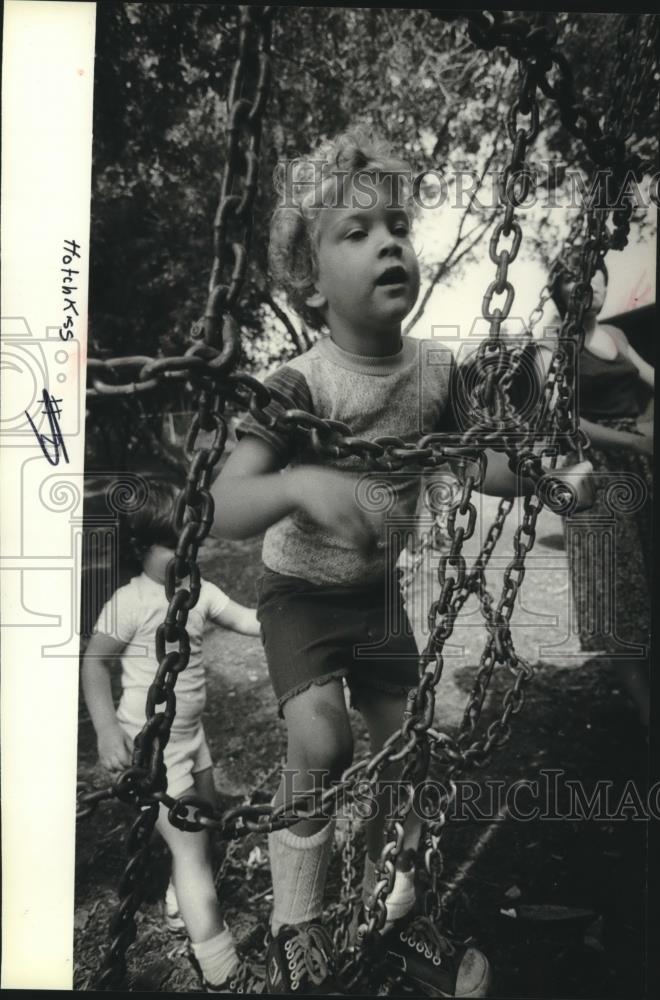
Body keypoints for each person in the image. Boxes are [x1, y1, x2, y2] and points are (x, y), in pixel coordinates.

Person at [211, 129, 593, 997]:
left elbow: (474, 461)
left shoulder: (433, 374)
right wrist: (303, 482)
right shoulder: (298, 385)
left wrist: (538, 476)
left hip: (377, 597)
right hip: (301, 594)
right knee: (320, 736)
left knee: (408, 750)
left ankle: (401, 906)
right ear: (310, 283)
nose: (389, 241)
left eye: (398, 226)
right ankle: (296, 923)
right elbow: (227, 504)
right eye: (357, 231)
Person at [81, 479, 262, 993]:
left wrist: (280, 616)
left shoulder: (199, 593)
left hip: (193, 738)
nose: (186, 556)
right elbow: (95, 663)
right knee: (189, 846)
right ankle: (221, 964)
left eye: (192, 543)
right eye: (173, 545)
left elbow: (248, 621)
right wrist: (106, 730)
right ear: (141, 549)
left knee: (205, 825)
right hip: (150, 745)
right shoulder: (131, 601)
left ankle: (180, 901)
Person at [546, 255, 654, 730]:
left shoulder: (617, 336)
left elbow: (651, 379)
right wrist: (635, 440)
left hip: (642, 464)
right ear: (557, 289)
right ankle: (648, 712)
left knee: (649, 577)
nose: (589, 283)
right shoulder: (553, 342)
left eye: (597, 274)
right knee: (616, 592)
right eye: (576, 275)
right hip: (594, 469)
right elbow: (564, 418)